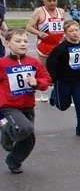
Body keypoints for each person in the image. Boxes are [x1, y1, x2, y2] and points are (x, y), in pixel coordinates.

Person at [0, 28, 52, 173]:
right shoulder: (2, 64)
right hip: (9, 106)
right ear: (7, 43)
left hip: (28, 105)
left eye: (25, 41)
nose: (22, 44)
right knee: (25, 129)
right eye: (18, 41)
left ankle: (13, 160)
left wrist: (37, 82)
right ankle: (5, 129)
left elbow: (46, 79)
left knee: (29, 140)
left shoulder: (33, 62)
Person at [45, 20, 80, 137]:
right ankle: (54, 95)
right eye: (71, 31)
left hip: (77, 80)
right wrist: (53, 78)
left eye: (76, 30)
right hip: (63, 80)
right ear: (65, 34)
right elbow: (50, 61)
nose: (75, 33)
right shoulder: (62, 47)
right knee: (63, 106)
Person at [25, 0, 66, 102]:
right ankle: (43, 92)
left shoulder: (61, 11)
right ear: (44, 1)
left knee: (60, 68)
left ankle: (58, 90)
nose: (52, 3)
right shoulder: (39, 11)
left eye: (54, 1)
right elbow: (28, 27)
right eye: (49, 1)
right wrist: (39, 33)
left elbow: (64, 26)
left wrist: (66, 34)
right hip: (45, 45)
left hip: (58, 44)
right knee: (45, 69)